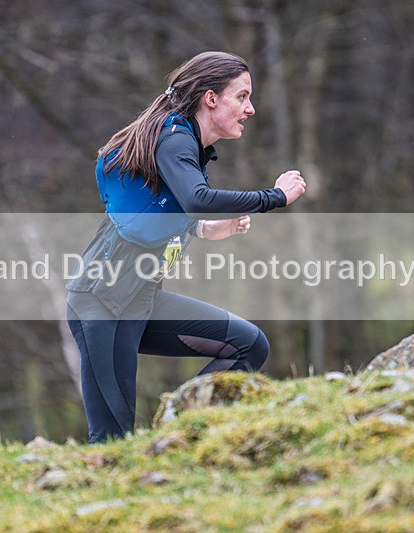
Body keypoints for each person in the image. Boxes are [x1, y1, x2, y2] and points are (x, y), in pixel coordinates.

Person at [66, 51, 306, 444]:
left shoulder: (182, 143)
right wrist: (274, 196)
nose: (251, 108)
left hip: (140, 300)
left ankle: (177, 430)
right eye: (241, 97)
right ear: (211, 99)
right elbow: (196, 198)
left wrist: (205, 230)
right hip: (103, 303)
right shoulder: (175, 137)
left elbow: (160, 214)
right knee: (111, 442)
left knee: (247, 345)